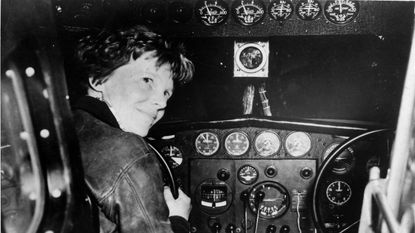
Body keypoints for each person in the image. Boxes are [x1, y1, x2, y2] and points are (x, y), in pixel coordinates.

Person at [71, 25, 194, 233]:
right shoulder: (128, 150)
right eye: (147, 80)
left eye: (166, 93)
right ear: (98, 79)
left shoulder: (63, 131)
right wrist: (178, 219)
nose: (161, 102)